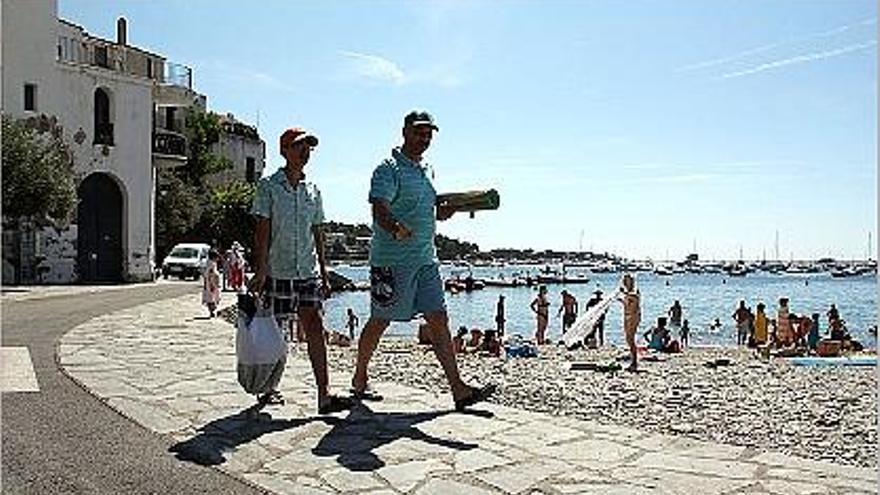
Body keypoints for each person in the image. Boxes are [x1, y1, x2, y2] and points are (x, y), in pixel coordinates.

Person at [350, 110, 494, 411]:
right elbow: (379, 208)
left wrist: (445, 212)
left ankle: (458, 389)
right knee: (380, 320)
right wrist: (395, 228)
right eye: (418, 132)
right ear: (404, 132)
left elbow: (429, 211)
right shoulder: (388, 168)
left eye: (428, 133)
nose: (424, 138)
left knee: (438, 318)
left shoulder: (427, 170)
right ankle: (359, 376)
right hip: (392, 260)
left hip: (426, 258)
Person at [250, 126, 351, 414]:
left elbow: (318, 232)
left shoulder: (313, 190)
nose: (305, 151)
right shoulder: (269, 186)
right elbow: (262, 230)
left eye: (308, 147)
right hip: (278, 272)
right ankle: (268, 388)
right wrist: (261, 270)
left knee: (315, 329)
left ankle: (324, 395)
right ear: (284, 151)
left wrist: (325, 271)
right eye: (298, 146)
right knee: (275, 333)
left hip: (307, 272)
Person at [619, 274, 641, 371]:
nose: (626, 283)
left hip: (633, 316)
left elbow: (635, 297)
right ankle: (633, 361)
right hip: (627, 316)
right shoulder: (628, 292)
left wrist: (625, 293)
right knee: (628, 339)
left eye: (627, 281)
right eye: (625, 281)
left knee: (630, 339)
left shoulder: (634, 291)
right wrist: (622, 300)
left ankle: (634, 362)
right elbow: (628, 303)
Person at [202, 250, 221, 317]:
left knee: (211, 296)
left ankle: (212, 310)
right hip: (211, 282)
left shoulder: (209, 263)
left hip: (210, 282)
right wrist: (213, 283)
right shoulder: (211, 264)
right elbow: (211, 274)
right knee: (212, 296)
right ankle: (212, 310)